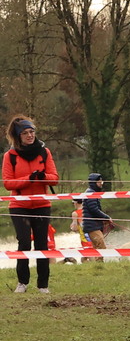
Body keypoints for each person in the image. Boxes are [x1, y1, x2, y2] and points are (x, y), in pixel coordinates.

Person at [4, 116, 58, 294]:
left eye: (32, 132)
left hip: (41, 204)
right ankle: (22, 282)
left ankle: (43, 285)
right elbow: (8, 183)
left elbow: (54, 178)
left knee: (42, 244)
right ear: (18, 136)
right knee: (24, 242)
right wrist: (29, 179)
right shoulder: (10, 156)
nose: (30, 135)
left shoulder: (45, 152)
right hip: (19, 205)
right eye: (25, 133)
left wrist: (43, 177)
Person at [74, 173, 116, 262]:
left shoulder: (92, 192)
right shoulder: (90, 193)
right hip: (92, 226)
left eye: (101, 181)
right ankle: (99, 265)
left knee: (97, 247)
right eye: (99, 182)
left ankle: (97, 265)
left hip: (94, 225)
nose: (101, 183)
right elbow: (94, 210)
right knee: (101, 246)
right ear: (94, 183)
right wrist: (106, 217)